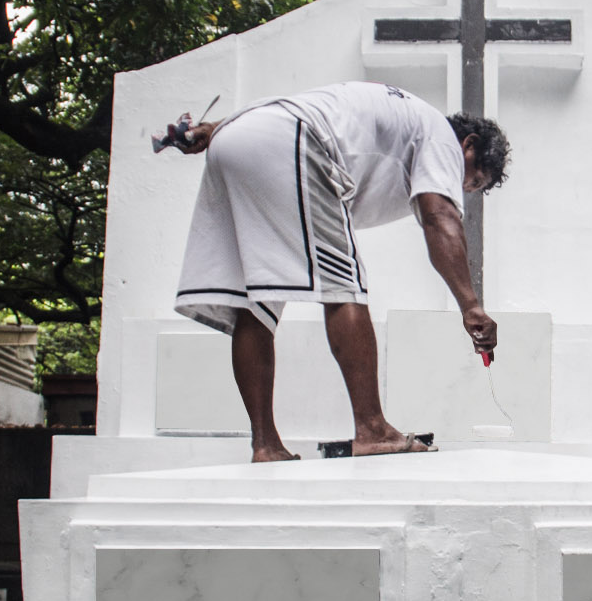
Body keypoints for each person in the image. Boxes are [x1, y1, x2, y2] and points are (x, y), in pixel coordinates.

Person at [167, 81, 509, 461]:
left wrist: (215, 129)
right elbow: (439, 216)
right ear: (469, 145)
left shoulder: (403, 118)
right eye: (473, 180)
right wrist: (471, 306)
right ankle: (373, 430)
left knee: (256, 302)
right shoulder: (442, 137)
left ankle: (265, 444)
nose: (462, 187)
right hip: (293, 143)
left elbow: (293, 105)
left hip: (235, 138)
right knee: (344, 285)